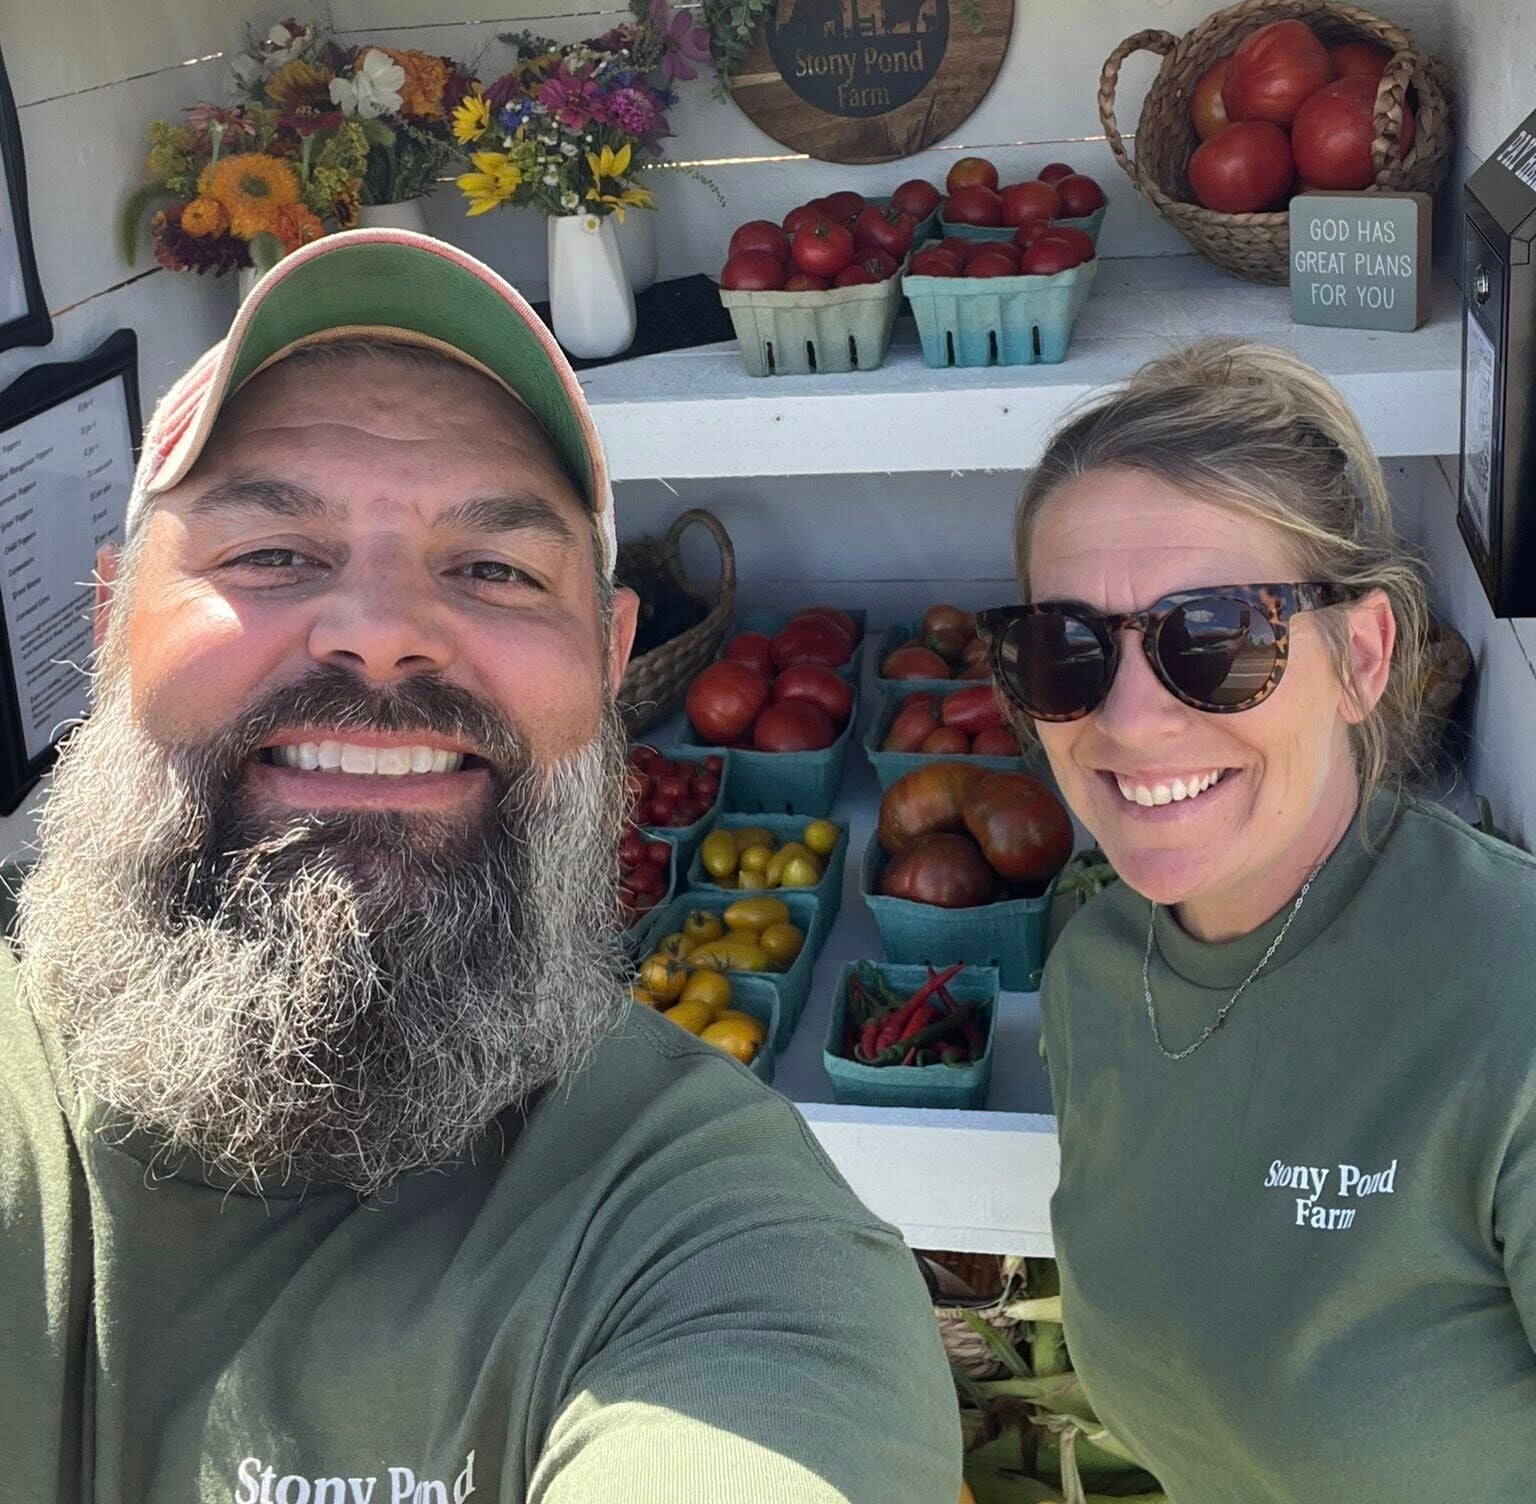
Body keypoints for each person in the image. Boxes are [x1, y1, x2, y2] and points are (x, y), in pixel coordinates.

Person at [1, 229, 958, 1504]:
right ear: (114, 618)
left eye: (496, 568)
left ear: (610, 658)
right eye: (271, 551)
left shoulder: (717, 1239)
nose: (382, 633)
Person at [978, 339, 1536, 1504]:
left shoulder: (1512, 1008)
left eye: (1218, 636)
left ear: (1361, 657)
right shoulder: (1094, 974)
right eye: (1066, 648)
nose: (1129, 721)